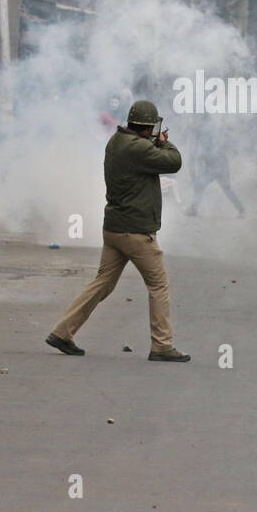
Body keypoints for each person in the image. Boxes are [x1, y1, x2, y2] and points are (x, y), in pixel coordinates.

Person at [46, 100, 190, 361]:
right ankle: (162, 345)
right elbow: (174, 161)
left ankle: (62, 332)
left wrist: (153, 142)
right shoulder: (138, 148)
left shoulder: (117, 141)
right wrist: (164, 142)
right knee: (158, 286)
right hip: (136, 231)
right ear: (147, 127)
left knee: (102, 283)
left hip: (114, 228)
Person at [186, 128, 245, 218]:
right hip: (219, 167)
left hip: (216, 167)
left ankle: (193, 209)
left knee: (201, 186)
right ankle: (241, 210)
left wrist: (198, 159)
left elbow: (207, 155)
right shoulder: (208, 139)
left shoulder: (207, 141)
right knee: (226, 189)